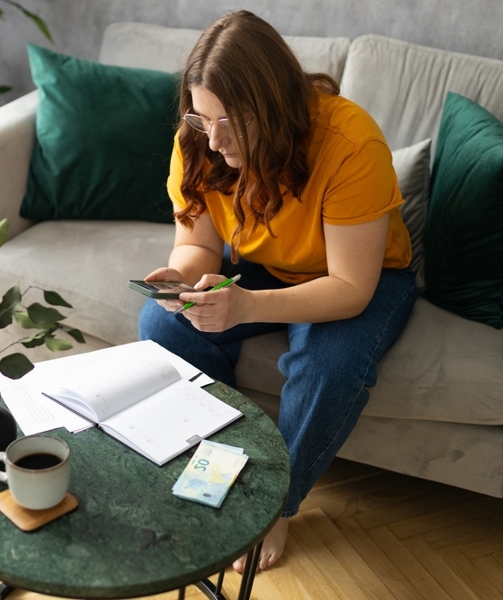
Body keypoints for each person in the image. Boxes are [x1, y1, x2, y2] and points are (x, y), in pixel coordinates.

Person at [138, 10, 418, 571]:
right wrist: (185, 277)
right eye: (201, 118)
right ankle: (213, 466)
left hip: (358, 276)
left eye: (231, 122)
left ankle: (277, 504)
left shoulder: (349, 143)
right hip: (263, 263)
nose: (214, 141)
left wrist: (245, 304)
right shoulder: (199, 140)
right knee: (162, 324)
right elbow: (196, 243)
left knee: (326, 365)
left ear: (274, 104)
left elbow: (349, 288)